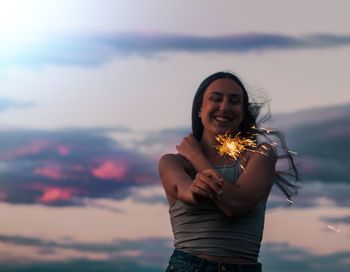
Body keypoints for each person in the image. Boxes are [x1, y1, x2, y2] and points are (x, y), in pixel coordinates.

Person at [158, 71, 299, 272]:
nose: (224, 107)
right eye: (216, 99)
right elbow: (184, 190)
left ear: (242, 113)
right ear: (200, 109)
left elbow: (235, 204)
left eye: (234, 101)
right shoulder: (173, 162)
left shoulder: (261, 155)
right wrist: (195, 190)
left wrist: (197, 157)